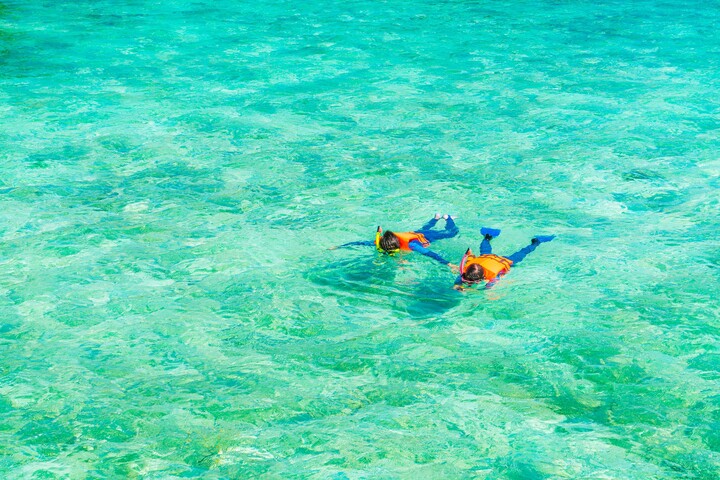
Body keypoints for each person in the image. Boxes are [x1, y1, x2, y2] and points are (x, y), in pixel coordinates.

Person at [333, 214, 459, 269]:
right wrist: (339, 246)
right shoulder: (382, 242)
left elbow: (430, 254)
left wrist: (448, 264)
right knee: (423, 228)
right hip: (414, 233)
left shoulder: (412, 245)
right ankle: (435, 218)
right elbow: (360, 243)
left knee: (451, 233)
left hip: (426, 236)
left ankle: (448, 218)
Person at [454, 226, 554, 290]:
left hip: (504, 261)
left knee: (523, 253)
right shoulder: (467, 269)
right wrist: (457, 285)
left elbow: (491, 285)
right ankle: (488, 236)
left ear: (482, 278)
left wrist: (483, 289)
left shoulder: (492, 276)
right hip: (486, 258)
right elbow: (460, 279)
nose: (465, 280)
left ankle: (537, 241)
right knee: (484, 250)